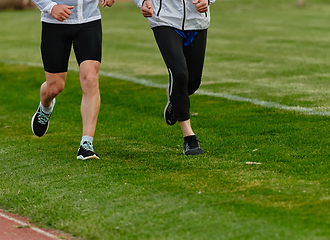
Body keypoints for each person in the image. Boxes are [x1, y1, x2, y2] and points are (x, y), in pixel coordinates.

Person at [31, 0, 115, 160]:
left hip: (89, 21)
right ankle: (45, 106)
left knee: (90, 78)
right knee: (55, 87)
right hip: (54, 22)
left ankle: (86, 144)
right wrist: (50, 7)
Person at [133, 0, 215, 155]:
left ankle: (173, 97)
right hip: (164, 18)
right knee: (179, 74)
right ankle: (189, 138)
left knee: (192, 83)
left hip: (197, 19)